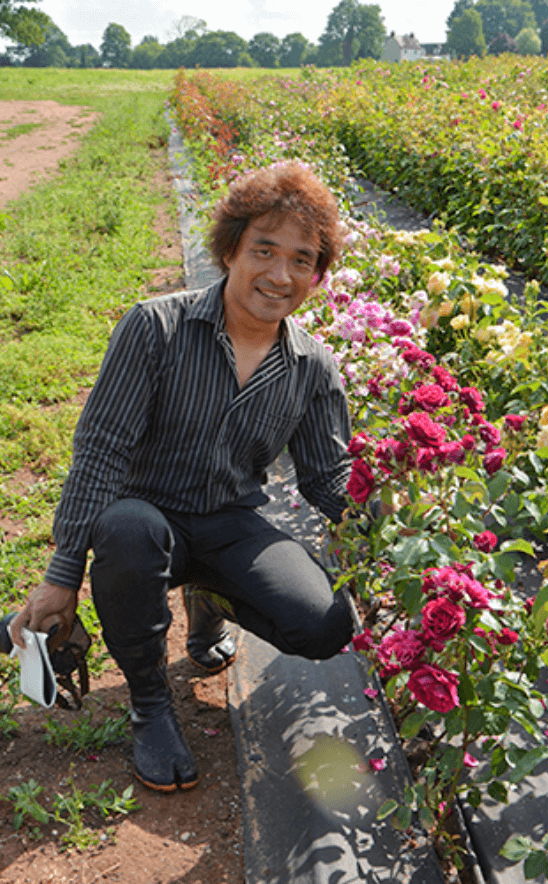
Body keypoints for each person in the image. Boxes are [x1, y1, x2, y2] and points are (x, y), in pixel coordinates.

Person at [11, 161, 358, 793]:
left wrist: (401, 530)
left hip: (230, 523)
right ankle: (150, 705)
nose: (280, 275)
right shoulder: (156, 327)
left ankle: (209, 600)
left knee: (325, 624)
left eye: (302, 260)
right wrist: (63, 574)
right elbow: (101, 448)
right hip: (145, 519)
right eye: (265, 250)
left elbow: (327, 477)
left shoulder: (312, 365)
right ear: (230, 250)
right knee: (128, 529)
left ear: (316, 276)